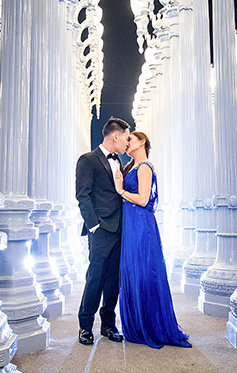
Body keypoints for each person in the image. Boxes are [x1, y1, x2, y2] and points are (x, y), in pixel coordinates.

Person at [113, 131, 191, 349]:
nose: (127, 143)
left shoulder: (145, 167)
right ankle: (137, 323)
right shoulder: (132, 167)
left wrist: (120, 190)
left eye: (131, 140)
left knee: (144, 270)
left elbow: (144, 199)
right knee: (133, 270)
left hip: (141, 224)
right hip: (132, 224)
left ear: (143, 143)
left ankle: (150, 325)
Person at [75, 116, 131, 346]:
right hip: (101, 230)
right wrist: (94, 226)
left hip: (121, 229)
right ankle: (85, 326)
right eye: (127, 137)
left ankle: (108, 324)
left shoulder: (120, 161)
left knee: (113, 279)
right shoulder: (88, 160)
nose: (128, 142)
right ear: (115, 136)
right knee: (95, 277)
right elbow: (82, 195)